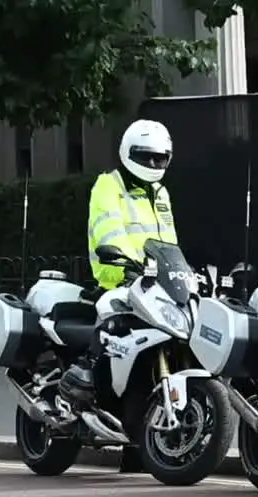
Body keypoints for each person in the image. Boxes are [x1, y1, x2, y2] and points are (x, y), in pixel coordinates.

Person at [56, 119, 176, 471]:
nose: (153, 164)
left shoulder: (162, 194)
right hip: (116, 279)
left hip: (153, 285)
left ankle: (136, 447)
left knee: (148, 360)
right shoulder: (109, 186)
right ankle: (82, 379)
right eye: (146, 157)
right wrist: (127, 265)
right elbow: (108, 230)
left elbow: (169, 242)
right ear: (128, 152)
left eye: (160, 158)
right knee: (114, 332)